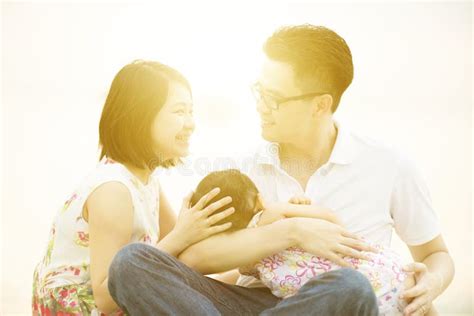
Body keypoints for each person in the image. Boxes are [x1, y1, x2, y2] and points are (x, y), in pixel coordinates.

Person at [109, 25, 454, 315]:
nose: (260, 106)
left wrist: (431, 284)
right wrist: (291, 233)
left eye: (274, 97)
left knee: (351, 287)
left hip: (328, 305)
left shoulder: (388, 166)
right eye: (259, 91)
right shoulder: (243, 172)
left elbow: (435, 254)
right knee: (130, 263)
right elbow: (195, 259)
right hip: (253, 302)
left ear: (321, 105)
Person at [32, 60, 235, 315]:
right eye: (179, 111)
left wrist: (246, 263)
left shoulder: (145, 181)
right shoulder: (113, 190)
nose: (191, 123)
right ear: (141, 116)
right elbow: (106, 297)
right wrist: (181, 236)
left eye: (190, 111)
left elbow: (184, 251)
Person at [190, 169, 417, 315]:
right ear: (259, 198)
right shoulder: (274, 212)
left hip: (357, 296)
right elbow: (332, 219)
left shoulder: (246, 257)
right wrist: (304, 211)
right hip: (380, 278)